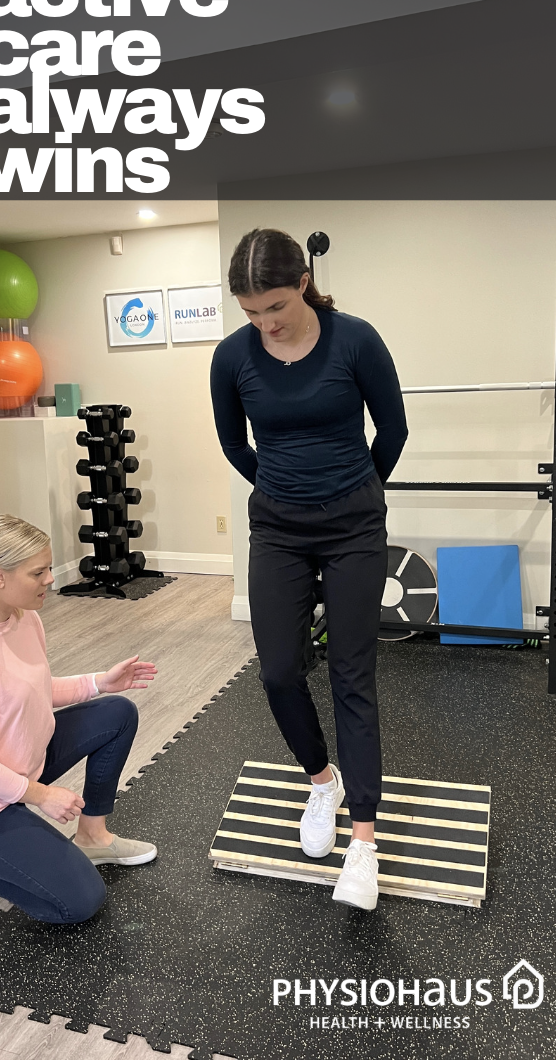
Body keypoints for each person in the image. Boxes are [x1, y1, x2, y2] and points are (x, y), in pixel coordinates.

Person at [210, 228, 408, 910]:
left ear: (302, 284)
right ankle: (322, 781)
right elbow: (234, 442)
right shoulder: (232, 357)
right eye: (251, 312)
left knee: (353, 675)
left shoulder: (355, 340)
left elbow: (393, 431)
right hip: (278, 529)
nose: (266, 323)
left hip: (354, 527)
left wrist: (355, 490)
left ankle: (364, 844)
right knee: (277, 670)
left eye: (275, 307)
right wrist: (284, 490)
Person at [0, 514, 158, 924]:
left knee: (117, 713)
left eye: (49, 568)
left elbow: (32, 689)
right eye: (38, 572)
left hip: (21, 763)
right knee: (80, 901)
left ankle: (93, 836)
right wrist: (41, 795)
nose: (51, 579)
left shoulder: (21, 616)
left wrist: (100, 683)